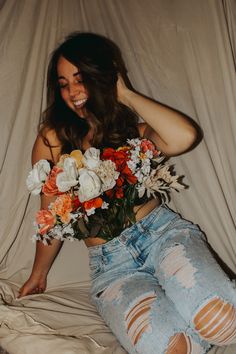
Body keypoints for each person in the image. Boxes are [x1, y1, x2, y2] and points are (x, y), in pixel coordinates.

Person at [18, 32, 236, 354]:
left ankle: (196, 311)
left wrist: (125, 93)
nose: (72, 92)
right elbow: (52, 217)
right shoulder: (53, 140)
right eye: (63, 83)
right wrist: (38, 274)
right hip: (112, 268)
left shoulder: (130, 129)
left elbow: (185, 136)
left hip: (162, 236)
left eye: (81, 78)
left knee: (222, 322)